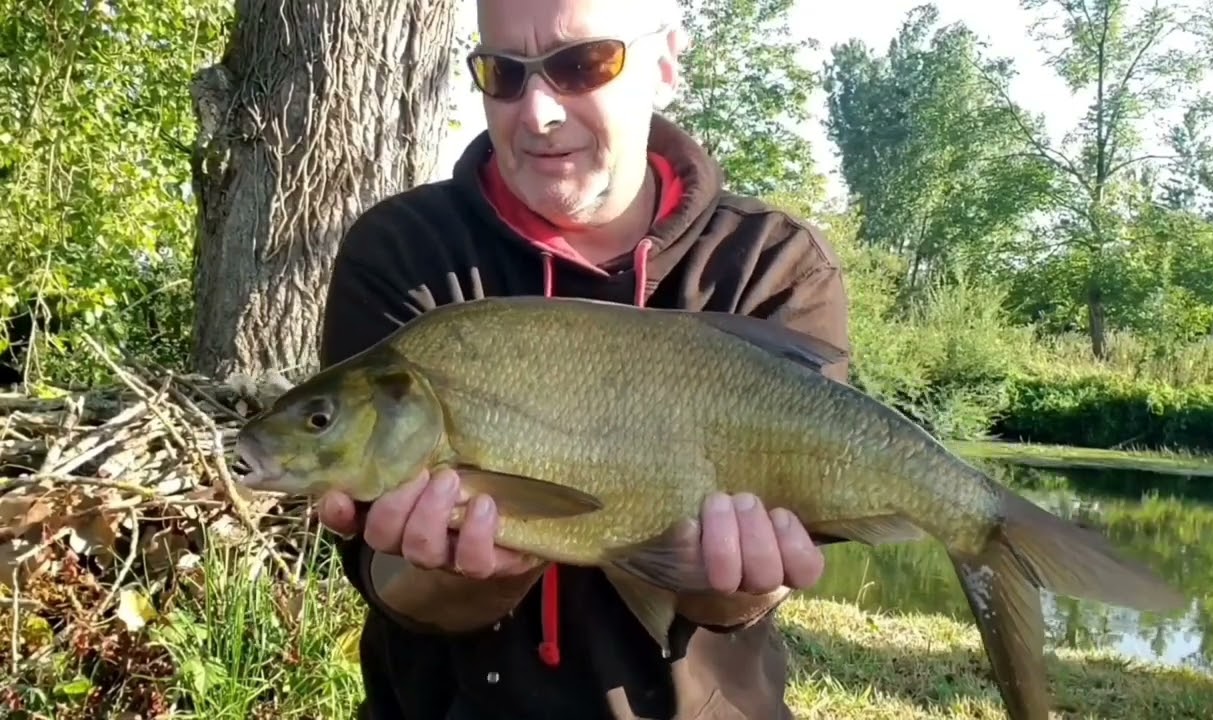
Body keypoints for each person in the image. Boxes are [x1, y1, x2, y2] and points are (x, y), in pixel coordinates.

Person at [314, 0, 852, 718]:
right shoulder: (404, 253)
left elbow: (751, 590)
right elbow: (383, 574)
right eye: (502, 73)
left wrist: (741, 580)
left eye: (581, 64)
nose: (537, 111)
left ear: (664, 62)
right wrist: (468, 573)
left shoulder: (774, 262)